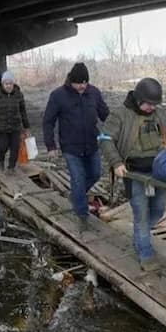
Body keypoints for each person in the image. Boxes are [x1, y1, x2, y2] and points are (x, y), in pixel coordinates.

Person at [100, 77, 166, 271]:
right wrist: (116, 163)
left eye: (155, 104)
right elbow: (105, 138)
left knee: (158, 210)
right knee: (141, 214)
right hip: (134, 173)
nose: (152, 108)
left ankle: (140, 235)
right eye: (149, 104)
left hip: (159, 171)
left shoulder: (160, 114)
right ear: (138, 98)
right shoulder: (120, 115)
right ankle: (145, 253)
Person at [43, 63, 109, 231]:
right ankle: (82, 216)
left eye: (85, 83)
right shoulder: (58, 95)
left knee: (95, 174)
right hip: (71, 147)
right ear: (71, 81)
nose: (82, 86)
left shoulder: (93, 93)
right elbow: (48, 121)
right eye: (79, 83)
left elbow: (106, 115)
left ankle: (76, 196)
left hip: (92, 145)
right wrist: (51, 145)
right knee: (78, 179)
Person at [0, 71, 29, 175]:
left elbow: (23, 111)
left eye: (10, 83)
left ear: (13, 84)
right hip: (1, 127)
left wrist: (26, 126)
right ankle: (0, 161)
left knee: (15, 147)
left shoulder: (18, 95)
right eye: (6, 83)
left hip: (15, 126)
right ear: (2, 84)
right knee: (3, 146)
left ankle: (11, 167)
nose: (8, 86)